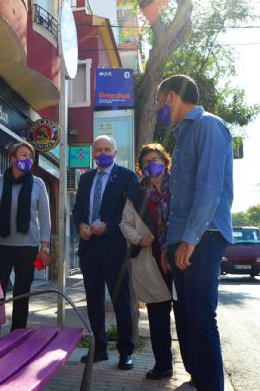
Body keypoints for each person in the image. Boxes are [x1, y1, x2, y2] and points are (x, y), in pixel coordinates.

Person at [156, 74, 233, 390]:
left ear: (172, 97)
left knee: (201, 317)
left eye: (161, 103)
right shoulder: (182, 134)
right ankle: (198, 379)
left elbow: (209, 187)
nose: (160, 110)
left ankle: (212, 384)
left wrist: (189, 239)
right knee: (185, 315)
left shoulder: (208, 126)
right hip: (181, 239)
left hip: (203, 235)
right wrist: (169, 244)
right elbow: (178, 198)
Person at [120, 143, 192, 380]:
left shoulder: (181, 186)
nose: (153, 165)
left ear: (165, 161)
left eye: (156, 160)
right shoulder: (135, 193)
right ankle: (163, 365)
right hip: (151, 261)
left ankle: (194, 368)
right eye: (147, 162)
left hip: (181, 258)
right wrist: (140, 238)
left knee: (186, 315)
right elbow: (125, 224)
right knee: (158, 316)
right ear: (141, 168)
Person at [72, 135, 138, 370]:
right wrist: (81, 225)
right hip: (90, 248)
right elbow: (78, 208)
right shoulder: (86, 178)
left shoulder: (128, 177)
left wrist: (108, 226)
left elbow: (130, 213)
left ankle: (125, 352)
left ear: (115, 152)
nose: (102, 153)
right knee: (93, 300)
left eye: (107, 149)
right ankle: (99, 349)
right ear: (92, 153)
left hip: (116, 249)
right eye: (98, 150)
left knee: (121, 301)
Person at [0, 141, 51, 338]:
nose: (27, 159)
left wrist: (44, 247)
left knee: (22, 293)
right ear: (12, 159)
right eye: (23, 155)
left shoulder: (38, 184)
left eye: (30, 156)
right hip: (1, 245)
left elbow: (45, 217)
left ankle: (17, 335)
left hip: (28, 246)